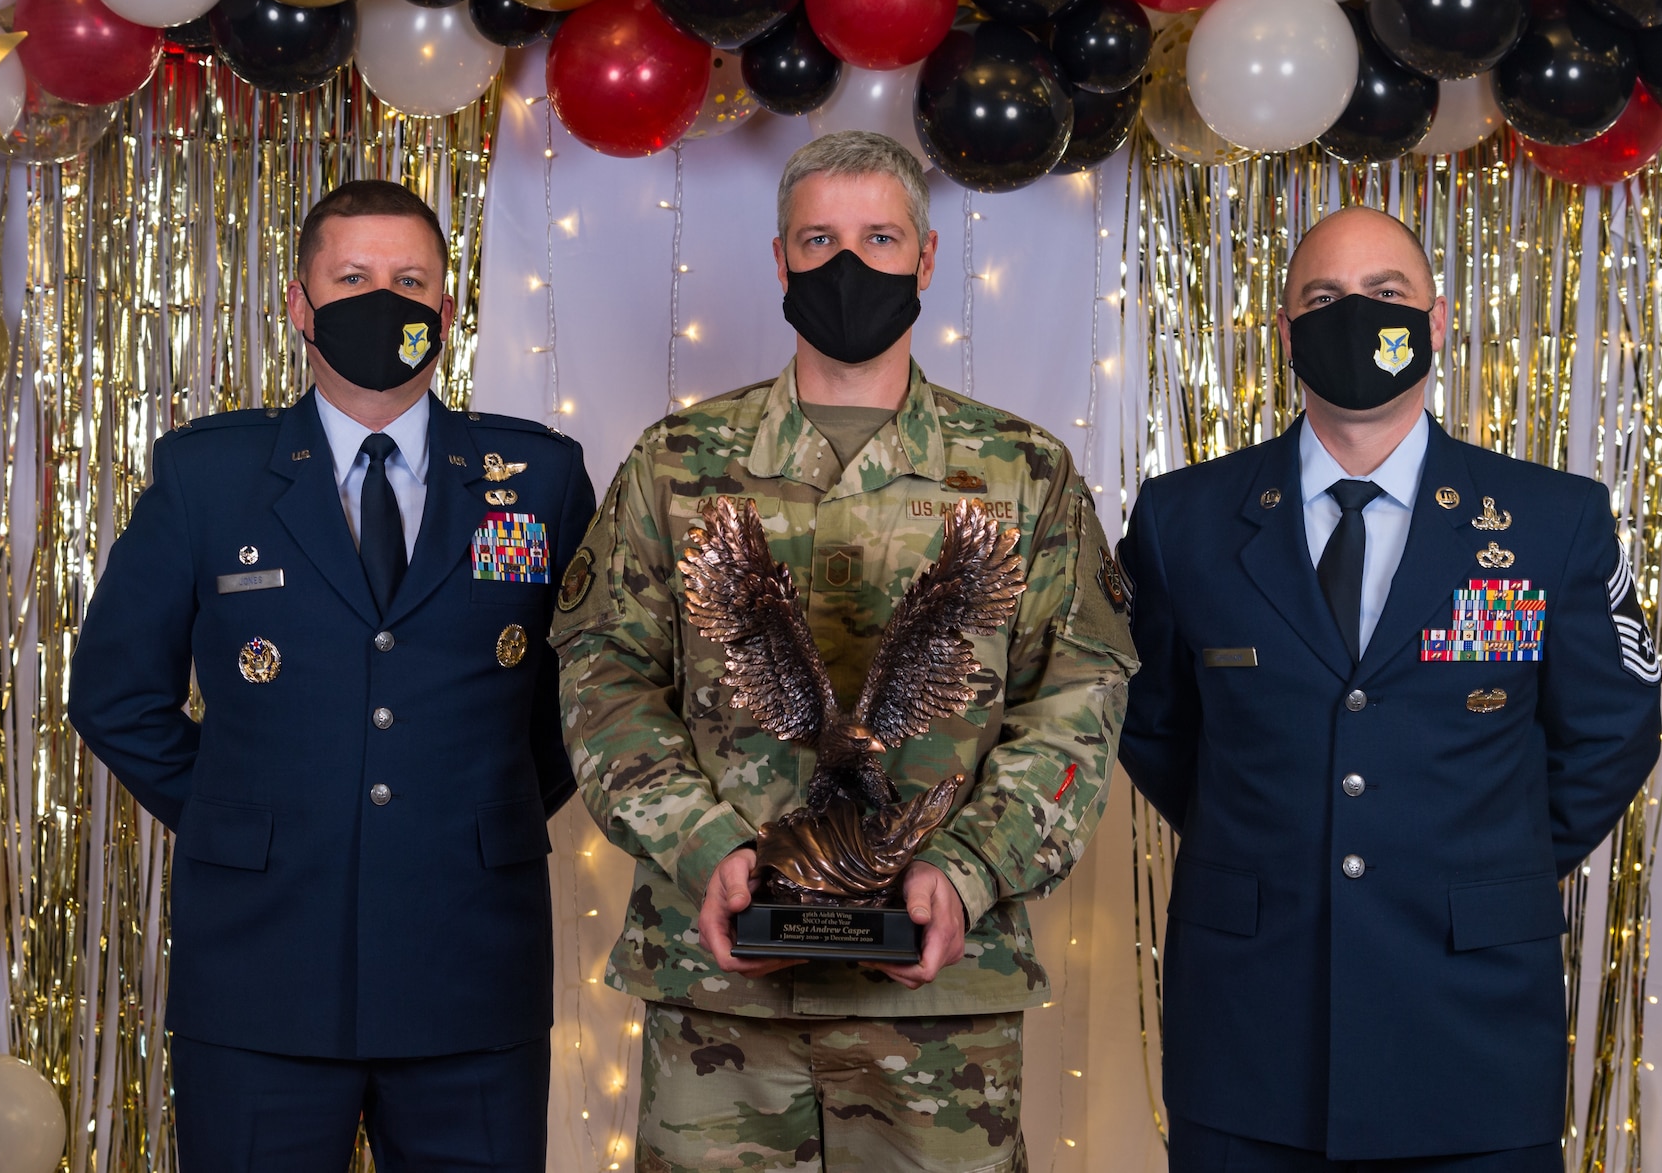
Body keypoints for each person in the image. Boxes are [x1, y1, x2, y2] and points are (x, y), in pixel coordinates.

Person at [550, 130, 1136, 1172]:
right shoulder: (677, 462)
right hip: (717, 986)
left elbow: (1075, 701)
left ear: (925, 257)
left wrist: (966, 871)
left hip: (939, 998)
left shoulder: (1021, 470)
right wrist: (706, 849)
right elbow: (604, 675)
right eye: (818, 239)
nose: (847, 264)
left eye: (878, 236)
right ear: (777, 261)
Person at [1117, 205, 1662, 1171]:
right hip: (1251, 1026)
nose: (1354, 317)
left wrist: (1482, 853)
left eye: (1386, 296)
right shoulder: (1183, 518)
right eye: (1323, 299)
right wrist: (1281, 827)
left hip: (1471, 1024)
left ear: (1439, 320)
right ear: (1284, 331)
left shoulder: (1550, 520)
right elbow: (1151, 724)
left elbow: (1613, 729)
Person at [68, 180, 594, 1171]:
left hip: (469, 966)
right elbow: (114, 695)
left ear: (446, 307)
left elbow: (588, 700)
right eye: (351, 278)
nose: (381, 299)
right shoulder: (209, 476)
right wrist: (241, 812)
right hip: (263, 969)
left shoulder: (539, 478)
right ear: (300, 305)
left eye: (409, 280)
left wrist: (491, 805)